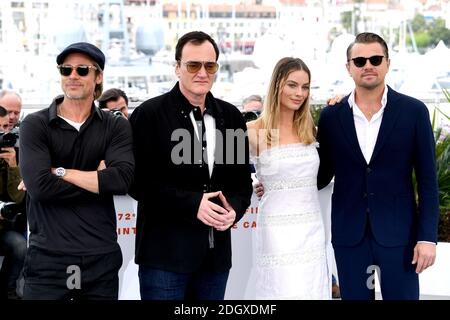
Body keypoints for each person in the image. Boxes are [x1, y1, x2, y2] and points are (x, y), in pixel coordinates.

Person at [129, 31, 253, 300]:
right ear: (177, 68)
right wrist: (193, 203)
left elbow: (241, 182)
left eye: (210, 66)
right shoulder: (149, 115)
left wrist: (235, 208)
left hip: (215, 260)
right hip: (164, 259)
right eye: (193, 65)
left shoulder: (230, 117)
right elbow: (138, 183)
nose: (202, 73)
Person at [316, 32, 439, 300]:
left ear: (387, 63)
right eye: (359, 60)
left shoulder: (414, 111)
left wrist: (427, 237)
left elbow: (429, 182)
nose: (367, 65)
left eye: (375, 58)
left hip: (400, 237)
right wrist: (274, 180)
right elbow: (321, 174)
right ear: (349, 68)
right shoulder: (330, 117)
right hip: (350, 236)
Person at [19, 42, 135, 300]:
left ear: (98, 76)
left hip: (100, 256)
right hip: (47, 257)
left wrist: (58, 171)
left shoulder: (115, 126)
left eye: (82, 70)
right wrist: (96, 177)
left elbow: (121, 180)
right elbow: (40, 188)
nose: (73, 75)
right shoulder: (35, 124)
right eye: (66, 69)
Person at [246, 57, 330, 299]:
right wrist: (254, 183)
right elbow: (229, 174)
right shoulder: (254, 130)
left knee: (310, 289)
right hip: (276, 228)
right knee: (283, 289)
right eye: (292, 85)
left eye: (305, 87)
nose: (299, 93)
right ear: (277, 85)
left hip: (312, 227)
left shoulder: (310, 130)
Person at [0, 106, 26, 300]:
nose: (3, 134)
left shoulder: (8, 154)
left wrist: (13, 167)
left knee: (20, 246)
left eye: (4, 128)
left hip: (2, 228)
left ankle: (7, 290)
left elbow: (16, 197)